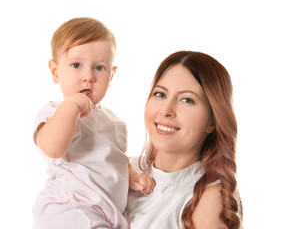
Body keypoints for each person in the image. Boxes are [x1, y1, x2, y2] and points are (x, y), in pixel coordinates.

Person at [32, 17, 154, 229]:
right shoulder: (56, 111)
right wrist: (72, 106)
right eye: (76, 65)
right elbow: (52, 148)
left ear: (112, 74)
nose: (88, 76)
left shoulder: (114, 122)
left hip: (108, 213)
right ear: (55, 71)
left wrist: (132, 177)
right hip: (69, 208)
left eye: (99, 68)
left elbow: (114, 159)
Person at [126, 51, 243, 229]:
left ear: (212, 121)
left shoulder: (210, 198)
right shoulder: (123, 168)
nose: (166, 110)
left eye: (186, 100)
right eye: (160, 94)